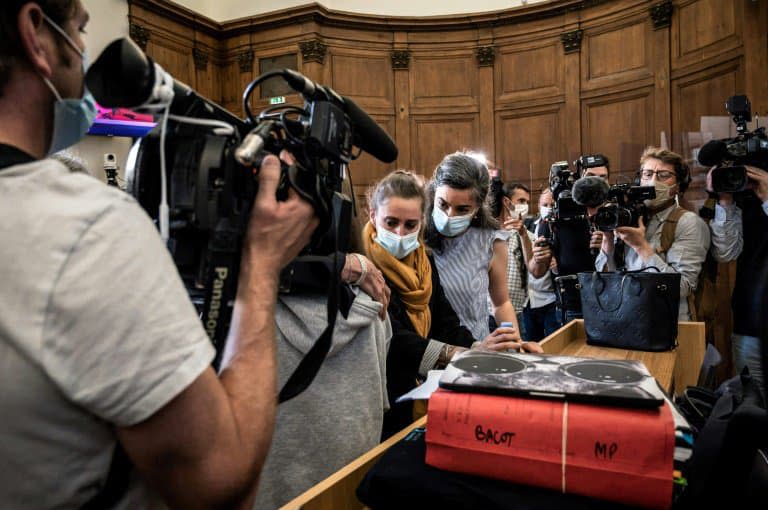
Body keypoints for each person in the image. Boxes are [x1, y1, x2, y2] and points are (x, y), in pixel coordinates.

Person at [0, 2, 319, 508]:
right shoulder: (85, 229)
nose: (83, 53)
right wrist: (261, 265)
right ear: (36, 33)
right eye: (80, 29)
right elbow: (222, 484)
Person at [364, 170, 542, 437]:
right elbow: (395, 339)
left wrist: (483, 348)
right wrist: (463, 355)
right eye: (391, 222)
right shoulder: (362, 268)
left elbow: (445, 322)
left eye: (410, 225)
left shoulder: (424, 262)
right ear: (372, 217)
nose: (400, 233)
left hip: (419, 394)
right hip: (381, 400)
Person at [595, 147, 710, 321]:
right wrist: (608, 239)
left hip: (666, 325)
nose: (653, 181)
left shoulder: (688, 222)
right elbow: (603, 279)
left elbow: (681, 287)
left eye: (663, 175)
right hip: (626, 317)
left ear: (678, 186)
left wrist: (641, 247)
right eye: (647, 174)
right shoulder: (629, 216)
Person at [424, 152, 523, 340]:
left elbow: (501, 304)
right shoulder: (415, 235)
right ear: (433, 195)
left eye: (462, 209)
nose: (449, 216)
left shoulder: (491, 242)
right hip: (427, 350)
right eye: (443, 204)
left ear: (478, 208)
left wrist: (514, 341)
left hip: (475, 348)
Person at [707, 163, 768, 391]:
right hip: (748, 324)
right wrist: (725, 200)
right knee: (752, 404)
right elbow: (725, 253)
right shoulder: (746, 201)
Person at [490, 182, 551, 338]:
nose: (525, 206)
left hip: (514, 313)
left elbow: (535, 271)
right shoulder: (487, 234)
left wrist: (523, 235)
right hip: (485, 312)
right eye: (521, 201)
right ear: (507, 202)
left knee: (514, 356)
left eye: (528, 202)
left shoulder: (527, 235)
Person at [524, 188, 560, 340]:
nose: (548, 208)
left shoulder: (562, 227)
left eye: (552, 204)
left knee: (553, 343)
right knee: (530, 345)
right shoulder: (527, 225)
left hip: (551, 298)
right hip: (528, 300)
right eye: (545, 204)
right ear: (539, 206)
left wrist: (558, 265)